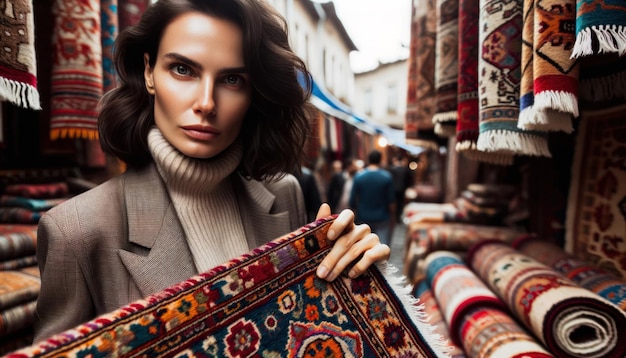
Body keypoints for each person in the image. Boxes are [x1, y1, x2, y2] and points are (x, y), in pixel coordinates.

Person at [33, 0, 389, 342]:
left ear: (254, 91)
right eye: (183, 69)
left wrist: (356, 280)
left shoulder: (284, 195)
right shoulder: (77, 232)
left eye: (232, 80)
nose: (206, 103)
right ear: (148, 72)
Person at [349, 150, 395, 246]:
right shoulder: (386, 177)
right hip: (382, 217)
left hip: (363, 217)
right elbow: (391, 200)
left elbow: (352, 200)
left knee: (363, 247)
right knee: (381, 247)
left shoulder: (359, 177)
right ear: (380, 160)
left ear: (368, 160)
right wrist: (393, 216)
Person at [388, 154, 414, 222]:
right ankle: (398, 217)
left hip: (393, 189)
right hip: (402, 189)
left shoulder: (391, 169)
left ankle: (393, 216)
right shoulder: (405, 170)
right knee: (400, 204)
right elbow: (410, 180)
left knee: (393, 203)